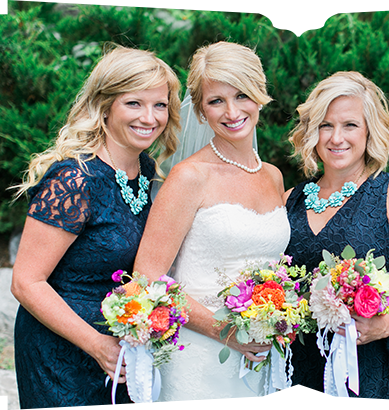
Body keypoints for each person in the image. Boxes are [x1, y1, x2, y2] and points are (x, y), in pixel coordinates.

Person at [8, 46, 181, 410]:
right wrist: (97, 345)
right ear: (105, 106)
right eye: (134, 103)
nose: (149, 117)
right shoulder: (74, 179)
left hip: (119, 350)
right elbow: (26, 282)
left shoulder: (144, 170)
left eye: (160, 105)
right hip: (62, 352)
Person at [131, 41, 289, 410]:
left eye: (242, 95)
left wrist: (282, 318)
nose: (232, 111)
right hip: (199, 358)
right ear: (200, 111)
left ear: (260, 97)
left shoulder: (274, 177)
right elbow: (148, 278)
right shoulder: (189, 178)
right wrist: (229, 332)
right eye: (216, 101)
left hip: (261, 359)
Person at [283, 71, 389, 409]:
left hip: (377, 376)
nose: (336, 137)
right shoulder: (288, 200)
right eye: (326, 125)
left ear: (370, 131)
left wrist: (382, 326)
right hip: (301, 375)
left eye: (350, 125)